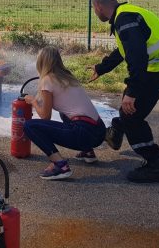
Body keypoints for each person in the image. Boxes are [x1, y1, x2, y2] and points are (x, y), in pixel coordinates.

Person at [88, 0, 159, 183]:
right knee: (128, 108)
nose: (95, 12)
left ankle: (155, 163)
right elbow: (126, 49)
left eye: (93, 9)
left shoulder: (125, 20)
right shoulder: (125, 13)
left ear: (98, 6)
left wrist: (132, 91)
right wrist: (102, 67)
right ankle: (116, 131)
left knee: (131, 114)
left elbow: (137, 57)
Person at [23, 46, 106, 180]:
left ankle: (60, 165)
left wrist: (33, 101)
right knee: (65, 114)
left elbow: (45, 116)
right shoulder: (67, 76)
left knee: (29, 126)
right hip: (99, 131)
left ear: (42, 62)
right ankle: (88, 152)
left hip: (84, 133)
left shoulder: (47, 80)